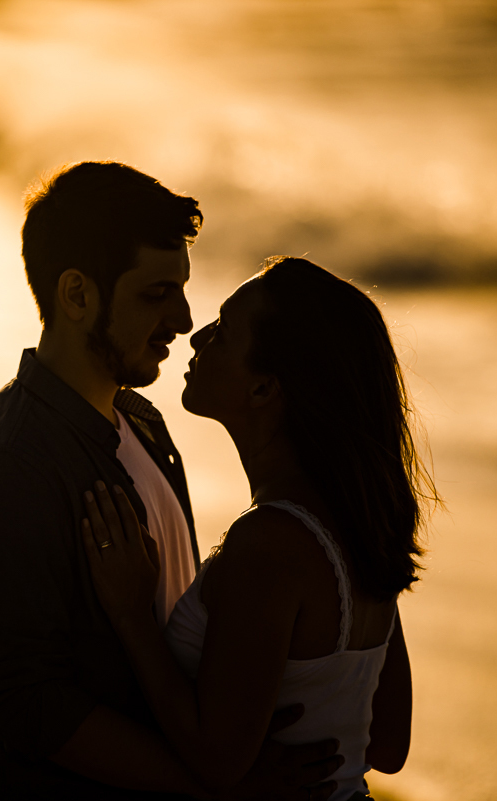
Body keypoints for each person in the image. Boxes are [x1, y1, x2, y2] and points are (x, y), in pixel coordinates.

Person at [0, 164, 344, 799]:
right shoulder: (10, 468)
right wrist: (213, 785)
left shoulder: (142, 422)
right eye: (155, 294)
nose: (183, 320)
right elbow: (21, 701)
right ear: (77, 296)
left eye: (181, 290)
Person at [81, 257, 436, 800]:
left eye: (223, 331)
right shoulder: (358, 526)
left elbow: (218, 760)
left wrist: (134, 618)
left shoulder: (269, 544)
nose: (197, 336)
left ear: (264, 389)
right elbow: (386, 744)